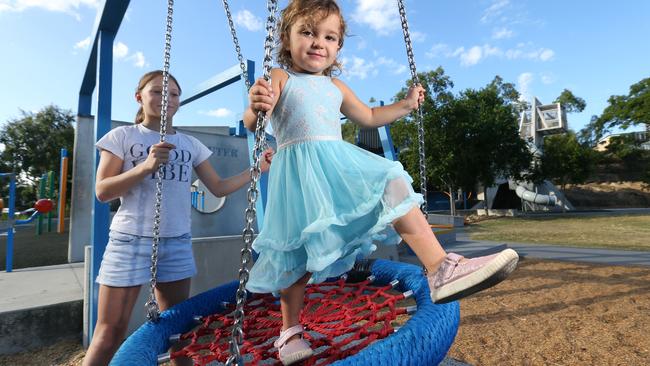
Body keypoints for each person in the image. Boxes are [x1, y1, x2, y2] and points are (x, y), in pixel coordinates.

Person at [244, 0, 519, 364]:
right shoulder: (281, 77)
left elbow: (370, 117)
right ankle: (289, 331)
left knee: (392, 182)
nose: (317, 43)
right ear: (286, 37)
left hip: (337, 167)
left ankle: (440, 268)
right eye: (307, 33)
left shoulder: (335, 86)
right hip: (299, 178)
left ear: (338, 46)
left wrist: (405, 105)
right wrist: (256, 103)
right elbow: (254, 120)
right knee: (296, 257)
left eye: (329, 37)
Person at [82, 70, 273, 366]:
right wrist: (145, 167)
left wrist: (257, 168)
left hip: (177, 242)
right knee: (110, 332)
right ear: (139, 97)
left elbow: (218, 186)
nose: (166, 99)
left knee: (179, 331)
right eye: (157, 92)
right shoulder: (123, 136)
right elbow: (103, 191)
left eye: (173, 94)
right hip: (129, 242)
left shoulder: (190, 144)